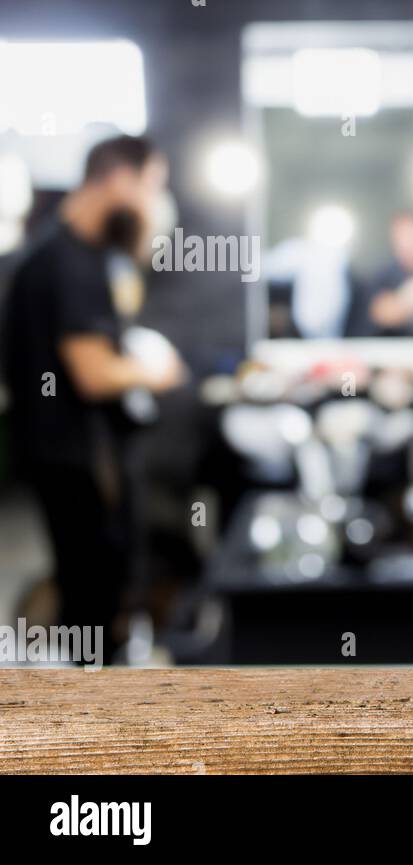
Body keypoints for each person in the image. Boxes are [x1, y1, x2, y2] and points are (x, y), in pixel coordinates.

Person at [1, 135, 184, 661]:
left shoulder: (74, 256)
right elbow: (95, 372)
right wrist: (156, 371)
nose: (153, 200)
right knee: (93, 598)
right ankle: (92, 730)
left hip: (73, 453)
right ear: (121, 180)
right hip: (75, 460)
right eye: (151, 186)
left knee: (95, 593)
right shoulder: (69, 264)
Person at [366, 211, 413, 337]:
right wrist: (406, 300)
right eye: (402, 235)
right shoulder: (384, 274)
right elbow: (381, 313)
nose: (407, 241)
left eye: (412, 234)